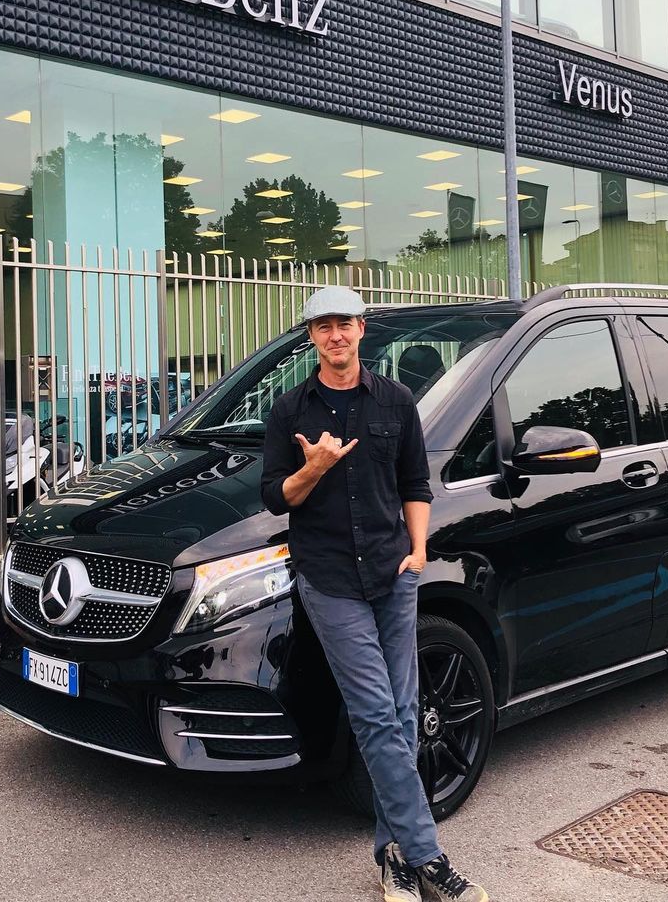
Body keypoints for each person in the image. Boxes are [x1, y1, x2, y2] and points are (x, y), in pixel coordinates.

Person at [260, 285, 488, 902]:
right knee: (376, 716)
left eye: (346, 324)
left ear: (363, 331)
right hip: (331, 580)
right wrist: (313, 469)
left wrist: (417, 552)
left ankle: (392, 858)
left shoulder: (395, 400)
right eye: (324, 326)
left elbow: (415, 481)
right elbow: (274, 497)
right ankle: (429, 857)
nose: (336, 335)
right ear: (312, 336)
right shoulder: (290, 411)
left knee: (405, 717)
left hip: (394, 574)